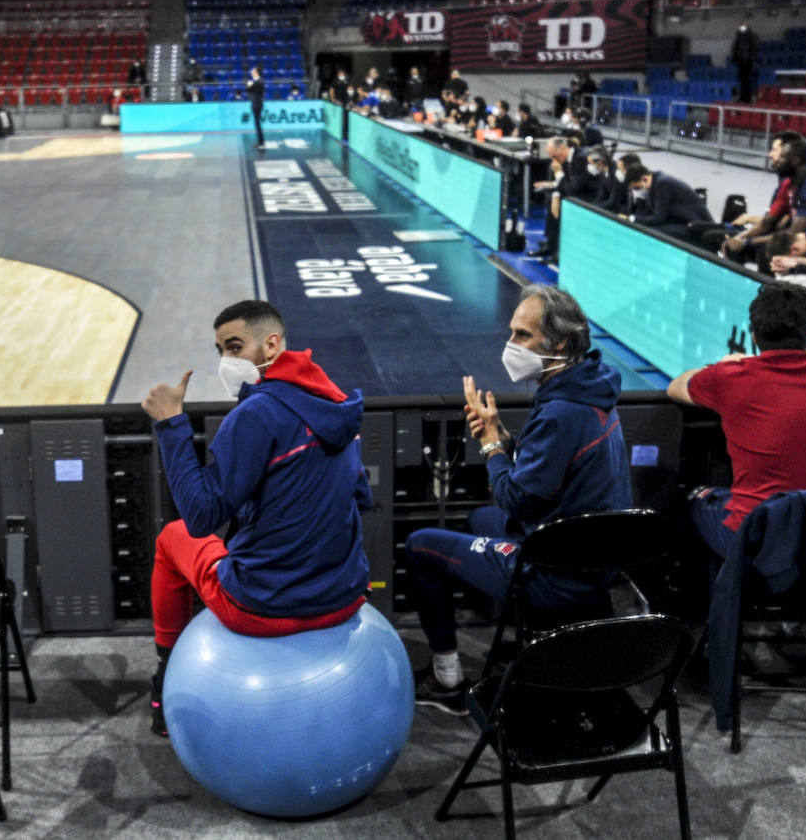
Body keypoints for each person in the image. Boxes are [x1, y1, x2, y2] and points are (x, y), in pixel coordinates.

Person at [140, 299, 371, 736]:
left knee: (172, 538)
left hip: (262, 606)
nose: (225, 360)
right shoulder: (339, 405)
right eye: (220, 350)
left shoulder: (254, 415)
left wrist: (171, 424)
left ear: (270, 345)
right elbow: (359, 497)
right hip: (344, 596)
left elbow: (202, 517)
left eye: (233, 346)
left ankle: (166, 672)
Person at [404, 284, 631, 714]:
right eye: (512, 333)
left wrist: (491, 445)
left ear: (560, 341)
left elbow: (515, 500)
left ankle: (447, 681)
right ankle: (525, 640)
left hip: (555, 571)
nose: (511, 345)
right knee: (478, 520)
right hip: (592, 558)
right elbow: (551, 470)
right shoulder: (589, 388)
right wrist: (507, 438)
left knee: (420, 547)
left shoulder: (562, 411)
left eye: (523, 336)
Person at [667, 281, 806, 561]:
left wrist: (722, 366)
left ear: (754, 335)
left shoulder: (729, 377)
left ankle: (718, 599)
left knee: (696, 499)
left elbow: (676, 386)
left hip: (763, 537)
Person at [724, 138, 806, 262]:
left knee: (765, 251)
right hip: (800, 237)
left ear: (795, 161)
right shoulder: (790, 183)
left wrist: (746, 242)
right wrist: (738, 238)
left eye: (782, 157)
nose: (776, 161)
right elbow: (767, 222)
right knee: (729, 244)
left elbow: (794, 233)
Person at [624, 164, 713, 242]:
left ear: (645, 179)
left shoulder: (663, 184)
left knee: (650, 232)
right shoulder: (654, 181)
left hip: (694, 224)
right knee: (645, 227)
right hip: (678, 220)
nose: (637, 191)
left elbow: (659, 218)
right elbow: (650, 211)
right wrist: (632, 217)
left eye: (637, 188)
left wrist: (633, 219)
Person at [733, 21, 759, 104]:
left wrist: (752, 59)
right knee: (742, 79)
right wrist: (735, 57)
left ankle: (748, 98)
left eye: (743, 26)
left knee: (746, 80)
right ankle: (743, 96)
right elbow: (735, 48)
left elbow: (754, 48)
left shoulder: (751, 36)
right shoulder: (738, 36)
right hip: (740, 61)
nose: (742, 27)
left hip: (747, 61)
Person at [245, 66, 265, 149]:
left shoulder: (259, 81)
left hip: (257, 104)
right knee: (257, 123)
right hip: (255, 103)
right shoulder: (257, 81)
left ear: (256, 72)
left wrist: (249, 85)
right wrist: (249, 85)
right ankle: (260, 141)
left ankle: (261, 142)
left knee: (257, 123)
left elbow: (250, 90)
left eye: (253, 71)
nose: (251, 72)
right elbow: (249, 91)